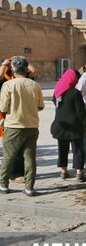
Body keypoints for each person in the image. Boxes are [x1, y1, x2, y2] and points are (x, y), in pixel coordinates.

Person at [0, 56, 44, 196]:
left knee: (8, 157)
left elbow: (3, 107)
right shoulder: (35, 85)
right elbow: (40, 106)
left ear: (12, 69)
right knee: (30, 158)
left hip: (12, 126)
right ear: (26, 69)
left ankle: (3, 185)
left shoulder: (8, 85)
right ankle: (29, 188)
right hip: (31, 126)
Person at [51, 68, 86, 182]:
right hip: (74, 126)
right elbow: (81, 112)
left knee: (62, 149)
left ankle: (64, 171)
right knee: (78, 149)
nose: (77, 82)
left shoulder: (57, 91)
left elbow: (56, 103)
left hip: (61, 125)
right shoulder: (75, 92)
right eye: (77, 79)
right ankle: (79, 173)